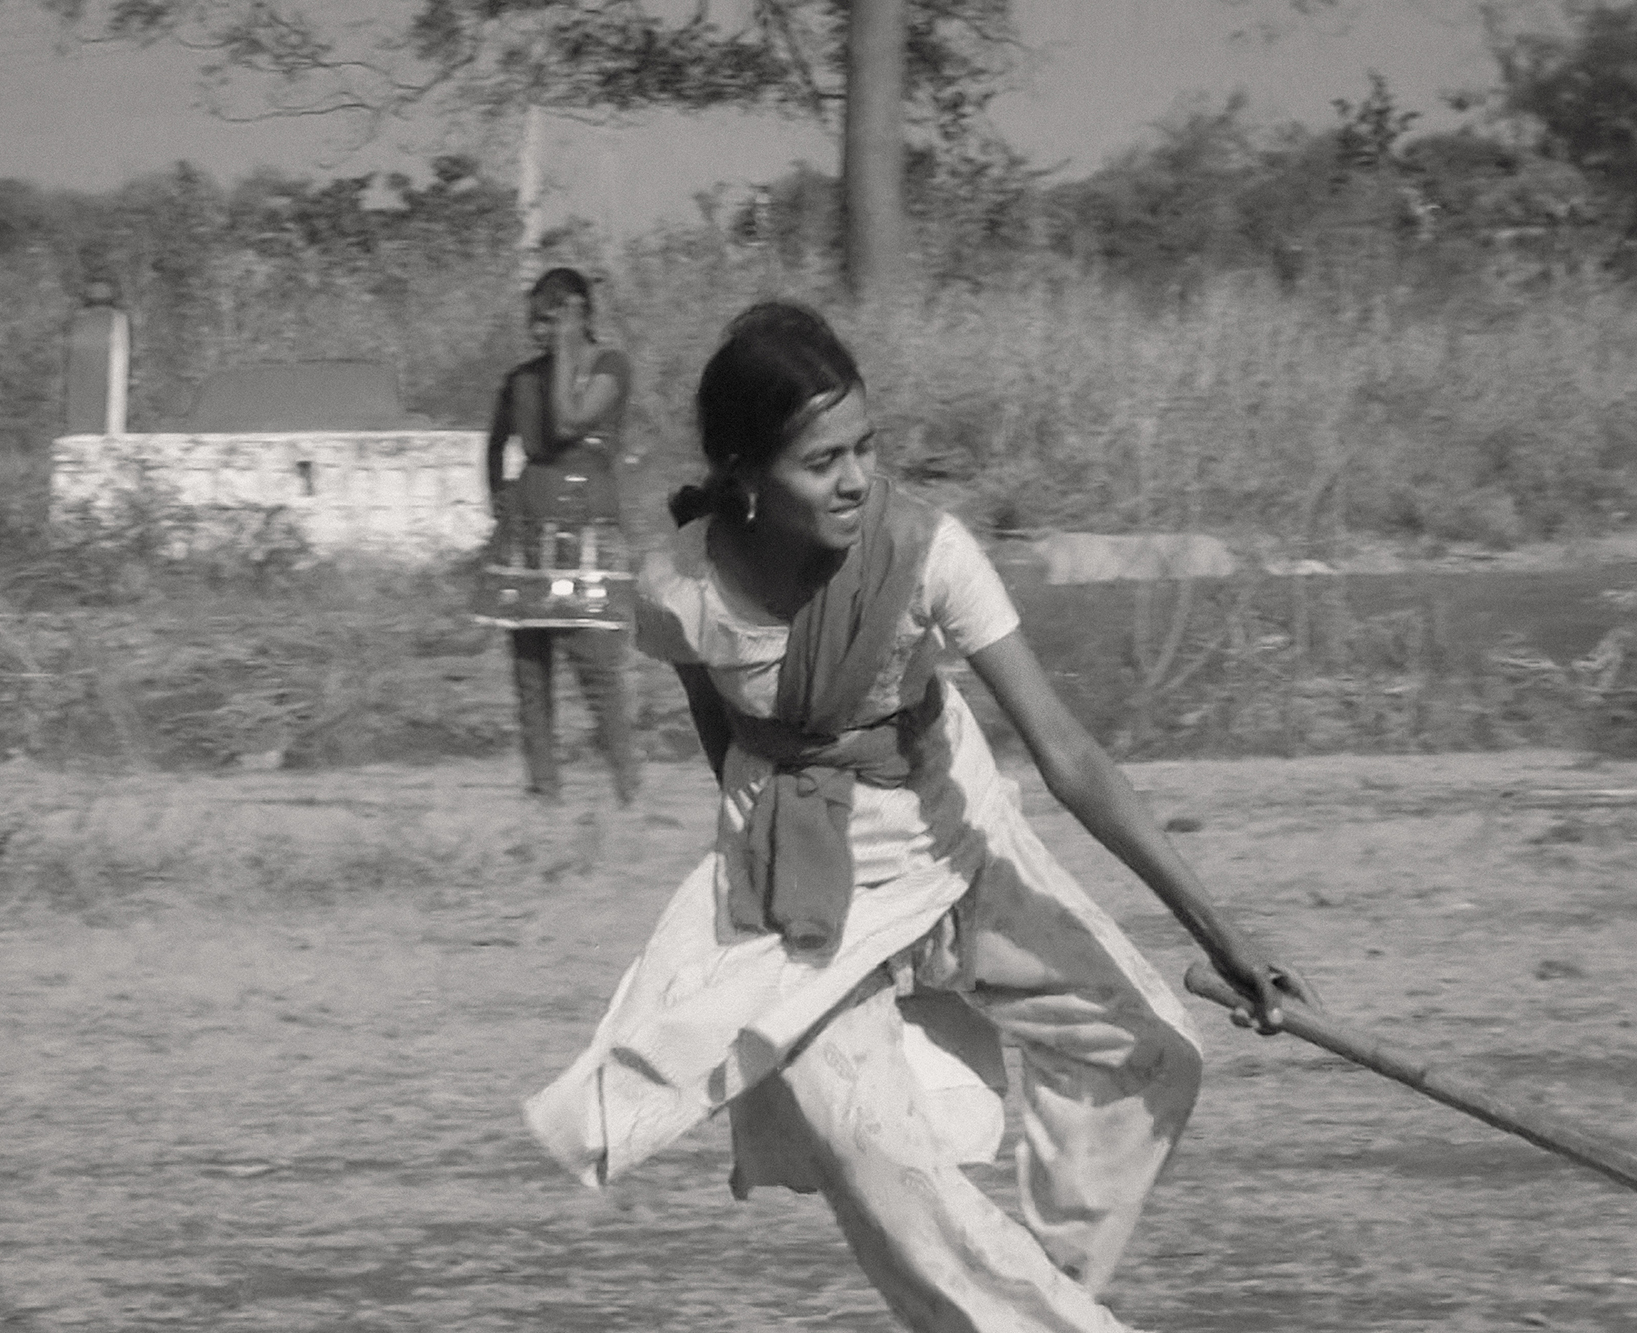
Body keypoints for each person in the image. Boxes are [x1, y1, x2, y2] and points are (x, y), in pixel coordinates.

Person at [524, 302, 1313, 1332]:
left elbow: (1067, 755)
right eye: (820, 461)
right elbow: (730, 747)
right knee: (874, 1152)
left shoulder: (926, 552)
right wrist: (778, 879)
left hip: (955, 836)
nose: (855, 479)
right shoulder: (679, 588)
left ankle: (1040, 1293)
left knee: (1152, 1053)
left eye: (864, 446)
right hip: (803, 888)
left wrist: (1226, 937)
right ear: (744, 475)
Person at [477, 267, 643, 805]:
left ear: (578, 314)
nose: (539, 332)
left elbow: (569, 423)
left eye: (550, 319)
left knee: (596, 663)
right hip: (527, 528)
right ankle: (544, 788)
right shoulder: (522, 378)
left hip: (585, 526)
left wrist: (570, 350)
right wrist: (497, 493)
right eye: (536, 321)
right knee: (529, 664)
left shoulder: (610, 368)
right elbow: (496, 442)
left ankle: (628, 792)